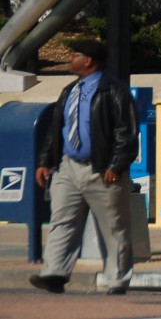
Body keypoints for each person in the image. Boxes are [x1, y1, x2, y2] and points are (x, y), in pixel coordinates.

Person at [29, 39, 139, 295]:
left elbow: (127, 132)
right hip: (68, 167)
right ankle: (54, 273)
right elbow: (57, 129)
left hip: (102, 171)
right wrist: (45, 161)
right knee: (62, 222)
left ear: (88, 60)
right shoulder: (69, 91)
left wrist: (116, 165)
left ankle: (117, 279)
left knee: (113, 227)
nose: (70, 59)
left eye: (74, 55)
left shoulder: (113, 90)